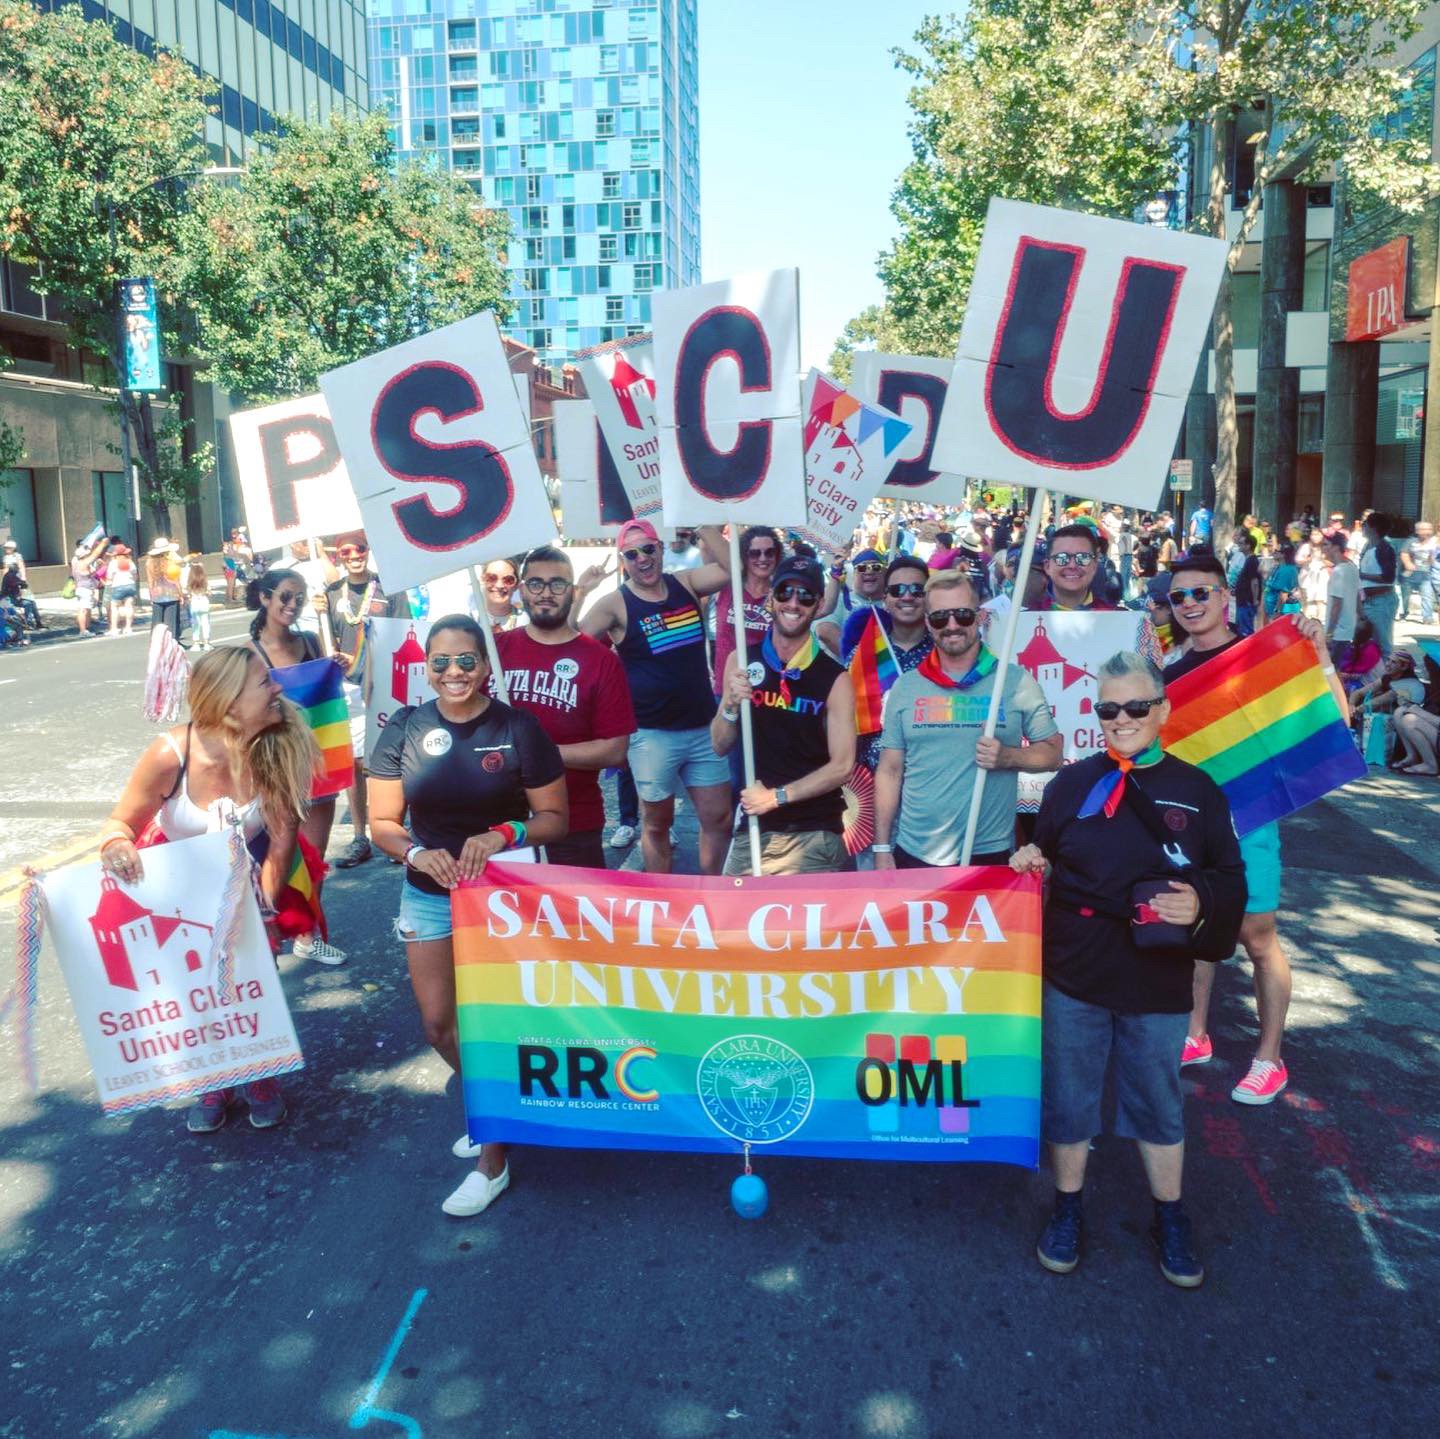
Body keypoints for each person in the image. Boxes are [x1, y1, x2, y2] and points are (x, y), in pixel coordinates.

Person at [1012, 651, 1246, 1287]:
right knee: (1069, 1097)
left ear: (1163, 710)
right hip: (1076, 968)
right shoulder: (1070, 783)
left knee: (1157, 1098)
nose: (1122, 719)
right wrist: (1031, 859)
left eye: (1136, 707)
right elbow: (1045, 855)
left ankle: (1169, 1214)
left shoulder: (1198, 790)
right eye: (1108, 708)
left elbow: (1230, 878)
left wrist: (1201, 900)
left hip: (1157, 974)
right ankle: (1067, 1208)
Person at [368, 614, 568, 1216]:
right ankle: (497, 1109)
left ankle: (494, 1155)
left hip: (503, 899)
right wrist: (416, 853)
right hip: (429, 892)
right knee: (439, 1026)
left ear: (485, 667)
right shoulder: (404, 726)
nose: (453, 673)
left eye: (466, 661)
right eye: (440, 663)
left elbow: (555, 818)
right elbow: (380, 824)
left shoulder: (518, 727)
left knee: (492, 1026)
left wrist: (503, 832)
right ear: (425, 669)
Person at [98, 647, 319, 1133]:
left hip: (248, 874)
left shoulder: (281, 744)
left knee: (253, 976)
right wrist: (117, 846)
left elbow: (281, 840)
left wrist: (262, 907)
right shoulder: (168, 755)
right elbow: (119, 824)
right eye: (265, 683)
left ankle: (260, 1071)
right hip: (177, 889)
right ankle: (211, 1079)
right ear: (228, 703)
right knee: (192, 989)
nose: (279, 689)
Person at [1166, 552, 1346, 1104]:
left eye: (1202, 593)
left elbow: (1335, 718)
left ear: (1225, 596)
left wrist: (1319, 658)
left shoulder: (1266, 655)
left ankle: (1270, 1059)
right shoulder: (1169, 671)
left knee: (1256, 937)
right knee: (1196, 931)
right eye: (1179, 597)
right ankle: (1194, 1035)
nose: (1191, 604)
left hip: (1251, 824)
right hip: (1191, 828)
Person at [574, 518, 733, 874]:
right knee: (657, 825)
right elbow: (572, 645)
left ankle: (712, 897)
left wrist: (702, 524)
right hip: (651, 734)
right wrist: (581, 593)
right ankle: (664, 905)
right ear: (622, 561)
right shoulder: (615, 603)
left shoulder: (686, 583)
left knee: (719, 820)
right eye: (631, 554)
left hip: (703, 729)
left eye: (648, 548)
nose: (642, 558)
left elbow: (733, 569)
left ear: (661, 549)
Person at [875, 573, 1062, 869]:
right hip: (915, 852)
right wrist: (882, 847)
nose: (952, 626)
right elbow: (890, 771)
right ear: (927, 623)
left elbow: (1054, 753)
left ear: (979, 617)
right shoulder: (906, 687)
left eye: (962, 615)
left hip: (990, 854)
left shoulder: (1014, 681)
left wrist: (1008, 757)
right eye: (939, 618)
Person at [711, 553, 855, 875]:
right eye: (784, 593)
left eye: (805, 596)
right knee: (734, 924)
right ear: (770, 601)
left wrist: (776, 798)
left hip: (814, 833)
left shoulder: (835, 678)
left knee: (810, 928)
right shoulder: (742, 661)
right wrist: (731, 705)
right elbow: (719, 744)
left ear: (818, 606)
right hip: (754, 830)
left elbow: (843, 766)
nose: (794, 603)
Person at [496, 546, 635, 868]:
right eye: (536, 584)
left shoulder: (600, 660)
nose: (546, 593)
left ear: (573, 593)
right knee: (507, 919)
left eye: (557, 585)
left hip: (574, 823)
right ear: (521, 591)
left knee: (574, 920)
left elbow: (615, 751)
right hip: (498, 823)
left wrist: (539, 753)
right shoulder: (495, 650)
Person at [249, 567, 348, 965]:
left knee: (314, 859)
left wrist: (333, 666)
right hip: (275, 771)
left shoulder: (310, 641)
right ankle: (270, 936)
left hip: (318, 764)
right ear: (265, 599)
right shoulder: (249, 653)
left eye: (299, 598)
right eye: (285, 597)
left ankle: (308, 934)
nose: (292, 605)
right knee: (277, 858)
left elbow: (324, 698)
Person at [320, 532, 412, 869]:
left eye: (359, 549)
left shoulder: (390, 588)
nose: (354, 555)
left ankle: (396, 832)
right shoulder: (329, 595)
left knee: (393, 760)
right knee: (355, 763)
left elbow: (405, 633)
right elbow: (325, 644)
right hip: (348, 689)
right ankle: (362, 837)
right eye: (346, 551)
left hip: (387, 684)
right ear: (339, 556)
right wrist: (319, 619)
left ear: (368, 551)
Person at [1032, 524, 1120, 613]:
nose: (1072, 565)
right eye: (1062, 558)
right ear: (1047, 567)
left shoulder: (1117, 620)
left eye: (1083, 557)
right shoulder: (1023, 620)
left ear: (1094, 566)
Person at [816, 547, 888, 651]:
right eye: (862, 568)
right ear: (854, 574)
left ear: (885, 573)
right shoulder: (839, 599)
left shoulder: (893, 603)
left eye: (876, 567)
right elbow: (825, 631)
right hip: (844, 666)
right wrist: (857, 660)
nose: (869, 572)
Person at [1357, 512, 1399, 655]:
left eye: (1366, 524)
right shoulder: (1368, 546)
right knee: (1370, 643)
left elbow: (1389, 577)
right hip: (1369, 600)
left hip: (1382, 600)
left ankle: (1386, 673)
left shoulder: (1385, 547)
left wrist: (1362, 575)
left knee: (1383, 643)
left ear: (1373, 527)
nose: (1363, 527)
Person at [1323, 530, 1360, 653]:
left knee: (1333, 670)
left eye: (1326, 545)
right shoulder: (1352, 566)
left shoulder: (1338, 571)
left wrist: (1329, 633)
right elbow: (1358, 596)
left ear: (1335, 548)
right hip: (1349, 630)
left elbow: (1336, 604)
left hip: (1338, 633)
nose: (1323, 549)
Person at [145, 539, 183, 640]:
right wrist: (181, 594)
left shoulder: (149, 563)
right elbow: (176, 581)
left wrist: (151, 595)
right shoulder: (170, 563)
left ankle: (157, 644)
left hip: (157, 595)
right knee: (170, 625)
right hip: (171, 595)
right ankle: (170, 645)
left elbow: (150, 582)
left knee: (157, 624)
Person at [1400, 520, 1436, 623]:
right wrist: (1408, 563)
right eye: (1425, 529)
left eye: (1429, 529)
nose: (1428, 531)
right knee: (1405, 595)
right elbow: (1404, 553)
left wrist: (1432, 560)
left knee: (1427, 595)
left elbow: (1434, 557)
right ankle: (1404, 612)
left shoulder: (1434, 542)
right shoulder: (1411, 541)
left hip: (1426, 574)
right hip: (1410, 574)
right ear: (1417, 531)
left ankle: (1427, 617)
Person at [71, 534, 106, 637]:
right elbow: (95, 554)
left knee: (83, 609)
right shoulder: (83, 563)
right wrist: (103, 544)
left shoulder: (76, 563)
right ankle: (83, 630)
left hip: (81, 588)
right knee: (83, 609)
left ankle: (84, 629)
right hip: (85, 589)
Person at [478, 557, 523, 632]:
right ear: (482, 580)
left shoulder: (529, 621)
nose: (499, 585)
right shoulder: (469, 621)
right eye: (491, 578)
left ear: (516, 585)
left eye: (508, 580)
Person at [103, 543, 138, 637]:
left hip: (117, 586)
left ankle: (114, 628)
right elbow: (135, 575)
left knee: (114, 608)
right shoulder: (130, 562)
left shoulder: (113, 563)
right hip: (130, 585)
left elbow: (109, 577)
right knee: (129, 607)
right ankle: (128, 627)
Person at [1232, 531, 1262, 635]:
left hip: (1247, 601)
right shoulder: (1247, 560)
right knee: (1241, 627)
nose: (1239, 545)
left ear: (1248, 546)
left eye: (1241, 543)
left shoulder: (1252, 561)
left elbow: (1255, 582)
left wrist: (1254, 599)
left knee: (1246, 630)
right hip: (1242, 600)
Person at [1, 559, 40, 631]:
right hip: (9, 600)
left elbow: (20, 583)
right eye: (17, 568)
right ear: (13, 568)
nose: (18, 569)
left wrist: (22, 583)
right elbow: (17, 583)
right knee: (28, 604)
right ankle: (29, 624)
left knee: (32, 603)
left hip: (14, 598)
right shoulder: (10, 575)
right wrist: (22, 583)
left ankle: (38, 623)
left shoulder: (11, 575)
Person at [185, 555, 212, 651]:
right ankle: (206, 643)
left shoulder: (190, 583)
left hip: (194, 603)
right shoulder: (204, 582)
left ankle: (196, 643)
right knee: (205, 623)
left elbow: (188, 594)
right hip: (204, 602)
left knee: (195, 624)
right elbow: (209, 592)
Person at [222, 529, 252, 605]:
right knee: (230, 583)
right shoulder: (229, 545)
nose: (234, 536)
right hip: (229, 564)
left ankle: (229, 598)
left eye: (236, 534)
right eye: (233, 534)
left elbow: (247, 558)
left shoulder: (240, 546)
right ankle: (229, 599)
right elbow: (228, 554)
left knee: (232, 583)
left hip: (232, 565)